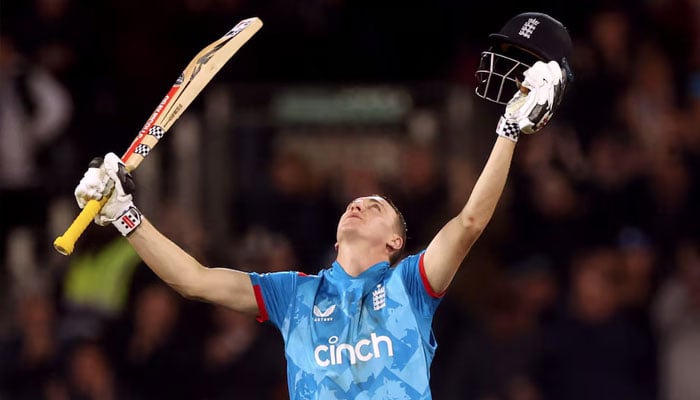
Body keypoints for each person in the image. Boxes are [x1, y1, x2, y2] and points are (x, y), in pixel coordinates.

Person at [71, 12, 572, 399]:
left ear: (396, 241)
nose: (359, 205)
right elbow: (194, 280)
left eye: (375, 206)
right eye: (354, 203)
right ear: (334, 237)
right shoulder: (294, 296)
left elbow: (469, 222)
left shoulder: (412, 285)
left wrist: (508, 133)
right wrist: (123, 215)